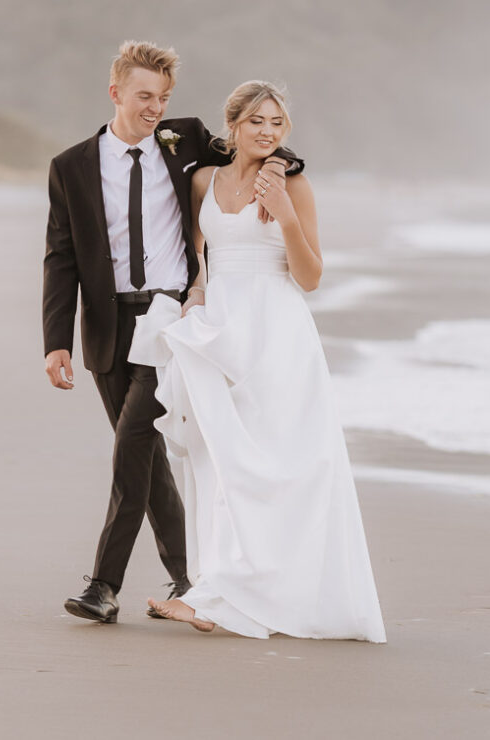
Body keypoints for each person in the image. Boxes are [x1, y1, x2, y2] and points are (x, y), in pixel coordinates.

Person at [42, 42, 300, 624]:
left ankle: (103, 585)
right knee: (146, 458)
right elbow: (60, 258)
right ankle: (189, 578)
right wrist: (55, 339)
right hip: (107, 326)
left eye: (163, 98)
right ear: (116, 94)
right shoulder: (72, 166)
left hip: (171, 322)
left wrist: (283, 165)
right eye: (144, 97)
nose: (155, 108)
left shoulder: (182, 139)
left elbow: (253, 147)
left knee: (132, 443)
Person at [129, 81, 386, 642]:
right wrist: (192, 303)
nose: (268, 132)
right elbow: (197, 260)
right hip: (221, 332)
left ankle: (267, 596)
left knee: (283, 468)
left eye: (277, 123)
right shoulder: (203, 180)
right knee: (219, 463)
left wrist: (284, 214)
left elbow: (312, 278)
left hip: (279, 336)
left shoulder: (295, 183)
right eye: (257, 123)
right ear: (234, 126)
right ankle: (215, 591)